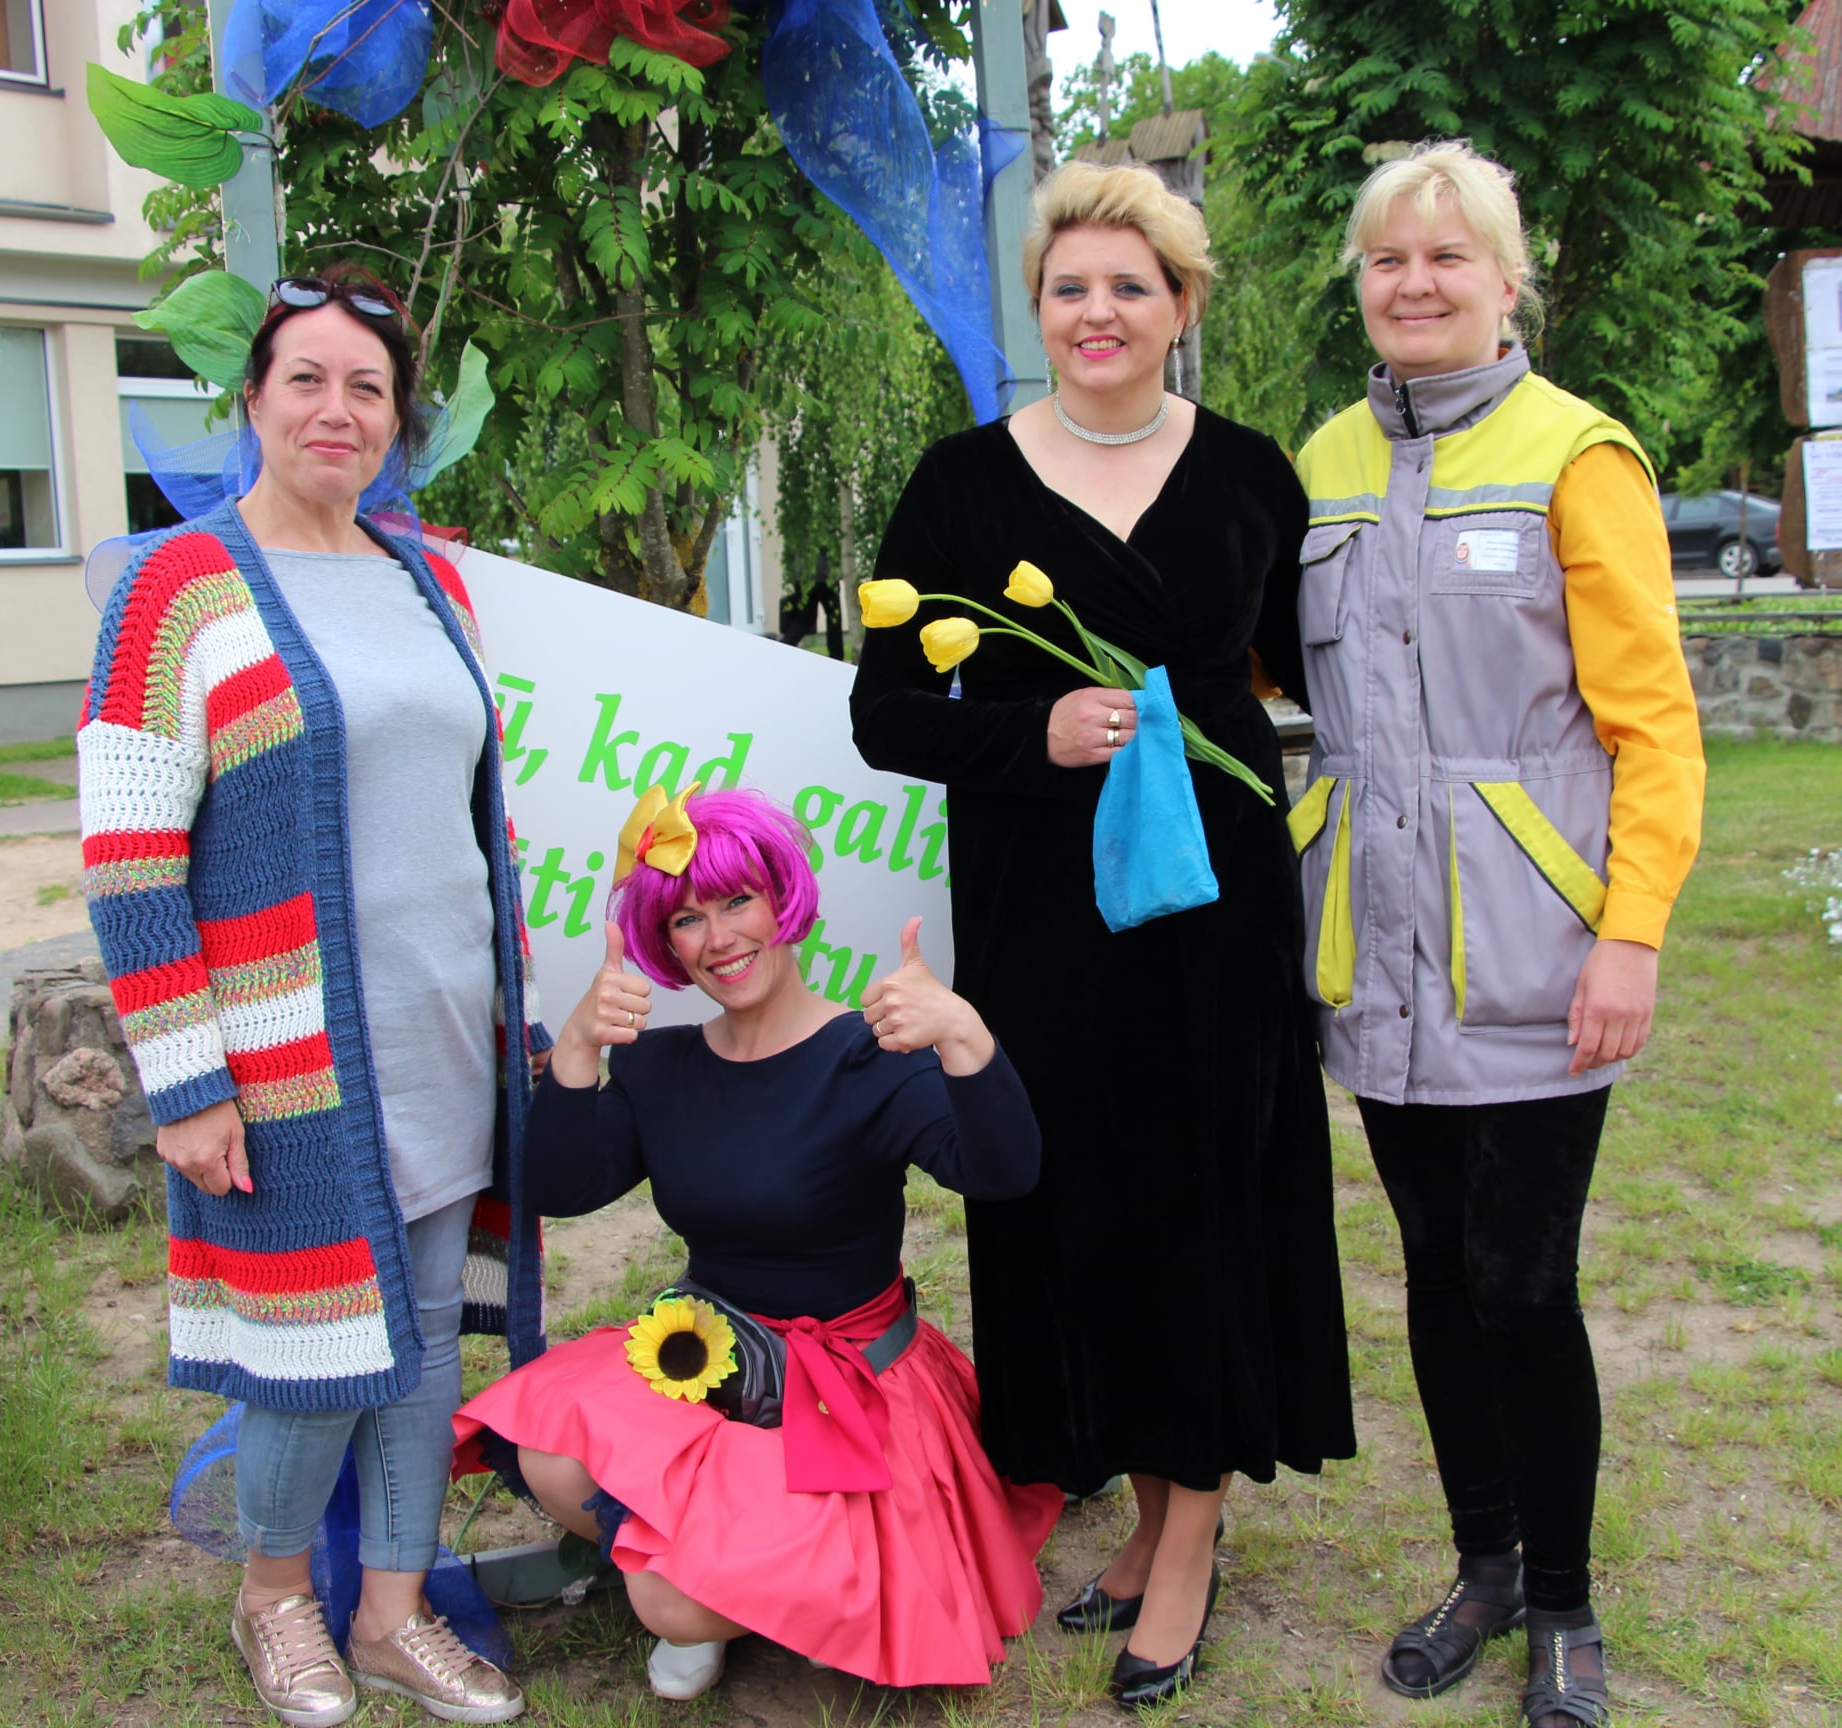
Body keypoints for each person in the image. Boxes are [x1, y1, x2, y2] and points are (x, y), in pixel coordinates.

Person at [849, 160, 1357, 1712]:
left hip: (1214, 902)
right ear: (1037, 305)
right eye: (1069, 286)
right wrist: (1030, 736)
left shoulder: (1254, 474)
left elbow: (1312, 670)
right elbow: (884, 715)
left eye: (1131, 285)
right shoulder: (958, 482)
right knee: (1079, 1204)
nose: (1097, 312)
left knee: (1206, 1197)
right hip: (1039, 909)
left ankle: (1188, 1540)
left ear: (1180, 305)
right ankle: (1139, 1518)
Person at [78, 265, 546, 1728]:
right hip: (287, 1057)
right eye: (307, 379)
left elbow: (466, 809)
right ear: (253, 399)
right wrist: (187, 1081)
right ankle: (273, 1597)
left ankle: (395, 1612)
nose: (335, 409)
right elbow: (129, 862)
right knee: (311, 1355)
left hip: (442, 1029)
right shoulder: (176, 588)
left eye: (366, 386)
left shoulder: (428, 580)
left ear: (396, 418)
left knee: (421, 1333)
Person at [1291, 141, 1705, 1728]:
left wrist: (1631, 934)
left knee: (1524, 1282)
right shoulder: (1322, 461)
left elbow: (1653, 728)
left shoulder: (1574, 456)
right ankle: (1483, 1564)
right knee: (1432, 1278)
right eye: (1388, 258)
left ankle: (1564, 1605)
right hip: (1381, 962)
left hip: (1535, 961)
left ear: (1506, 278)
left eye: (1447, 256)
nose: (1415, 283)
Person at [451, 785, 1062, 1702]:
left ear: (783, 900)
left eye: (737, 901)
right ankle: (743, 1578)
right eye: (687, 918)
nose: (718, 938)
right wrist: (575, 1051)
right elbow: (565, 1190)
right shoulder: (661, 1064)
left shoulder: (868, 1056)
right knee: (549, 1452)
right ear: (666, 942)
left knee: (670, 1603)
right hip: (703, 1360)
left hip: (850, 1389)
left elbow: (1003, 1173)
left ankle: (741, 1589)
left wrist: (966, 1038)